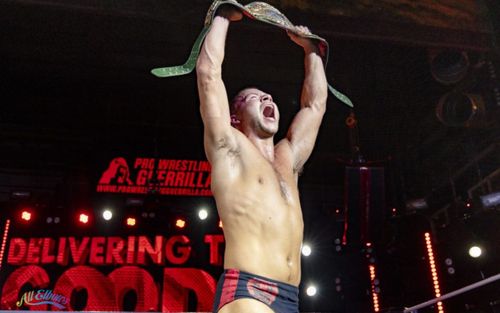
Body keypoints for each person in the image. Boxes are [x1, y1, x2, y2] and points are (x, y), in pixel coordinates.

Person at [196, 4, 327, 313]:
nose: (268, 99)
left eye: (269, 98)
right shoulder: (229, 146)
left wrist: (311, 51)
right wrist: (223, 17)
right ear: (235, 116)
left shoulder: (288, 157)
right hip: (249, 290)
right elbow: (208, 75)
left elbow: (315, 106)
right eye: (255, 98)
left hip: (290, 297)